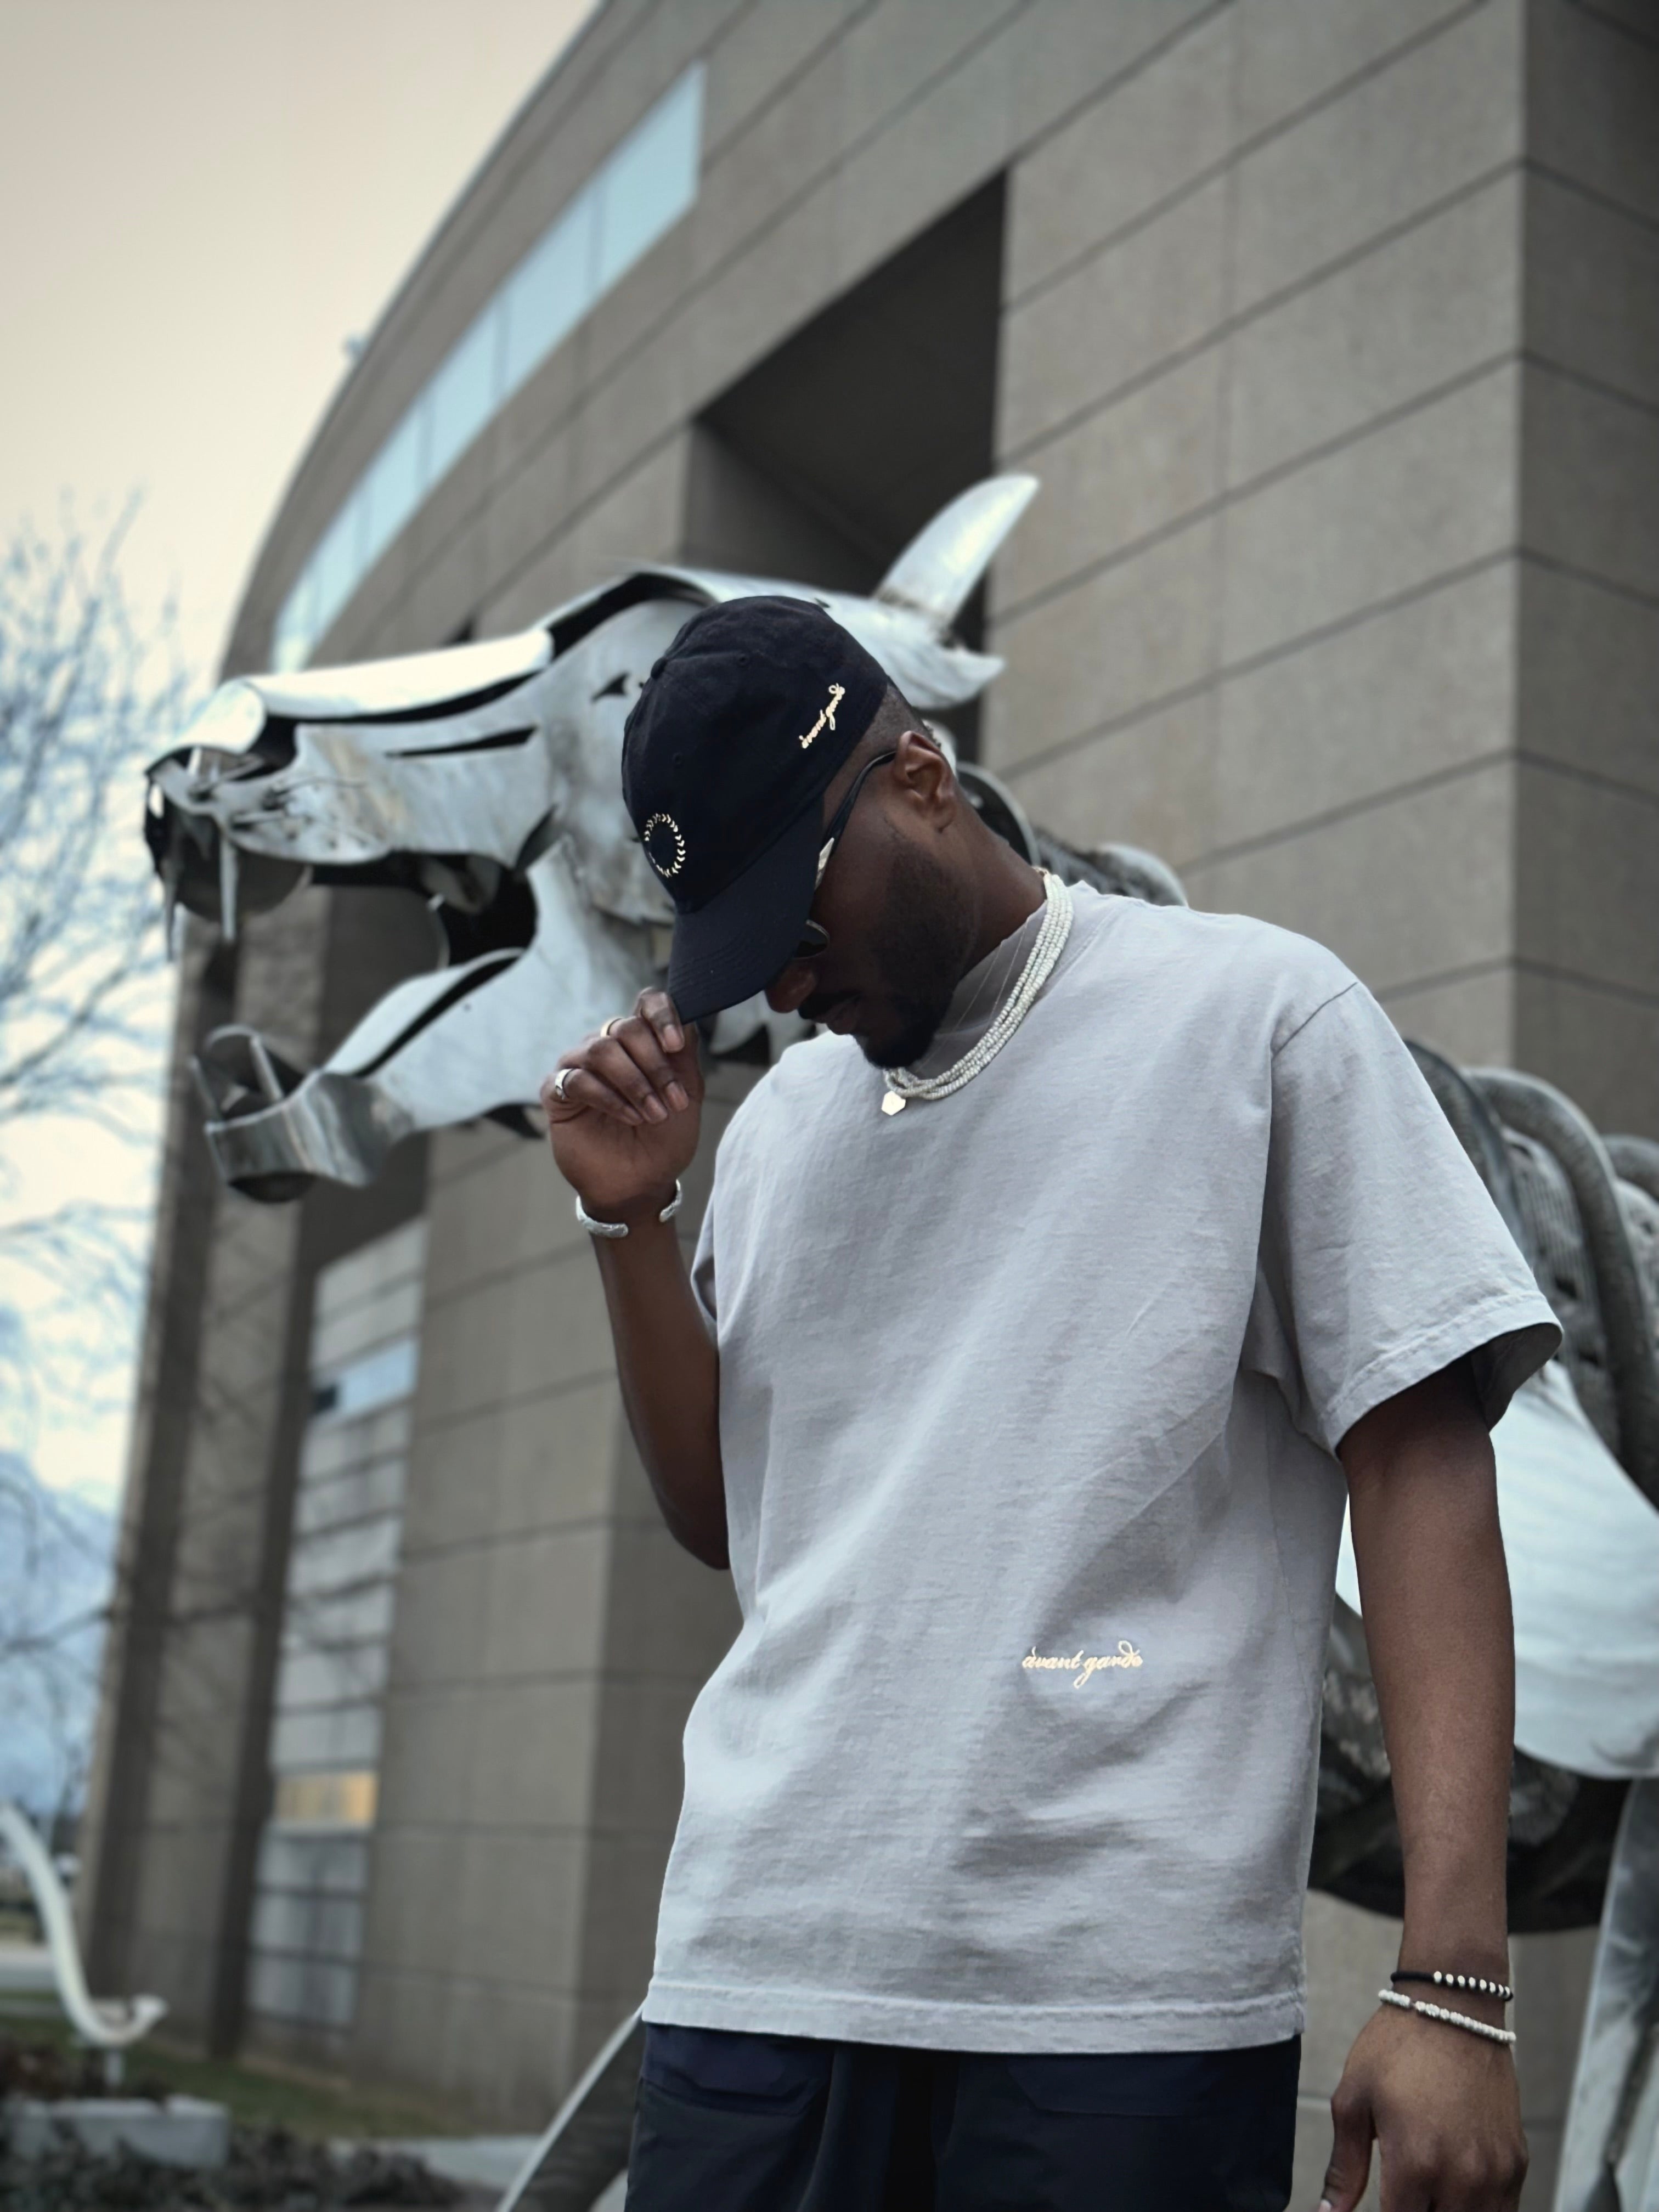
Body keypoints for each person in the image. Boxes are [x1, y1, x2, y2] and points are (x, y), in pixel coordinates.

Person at [540, 596, 1561, 2212]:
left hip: (1108, 2014)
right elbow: (729, 1515)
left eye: (796, 917)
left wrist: (1454, 1981)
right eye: (746, 953)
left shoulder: (1255, 1018)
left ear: (922, 779)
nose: (786, 985)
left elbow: (1421, 1467)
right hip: (749, 1977)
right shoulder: (784, 1127)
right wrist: (630, 1226)